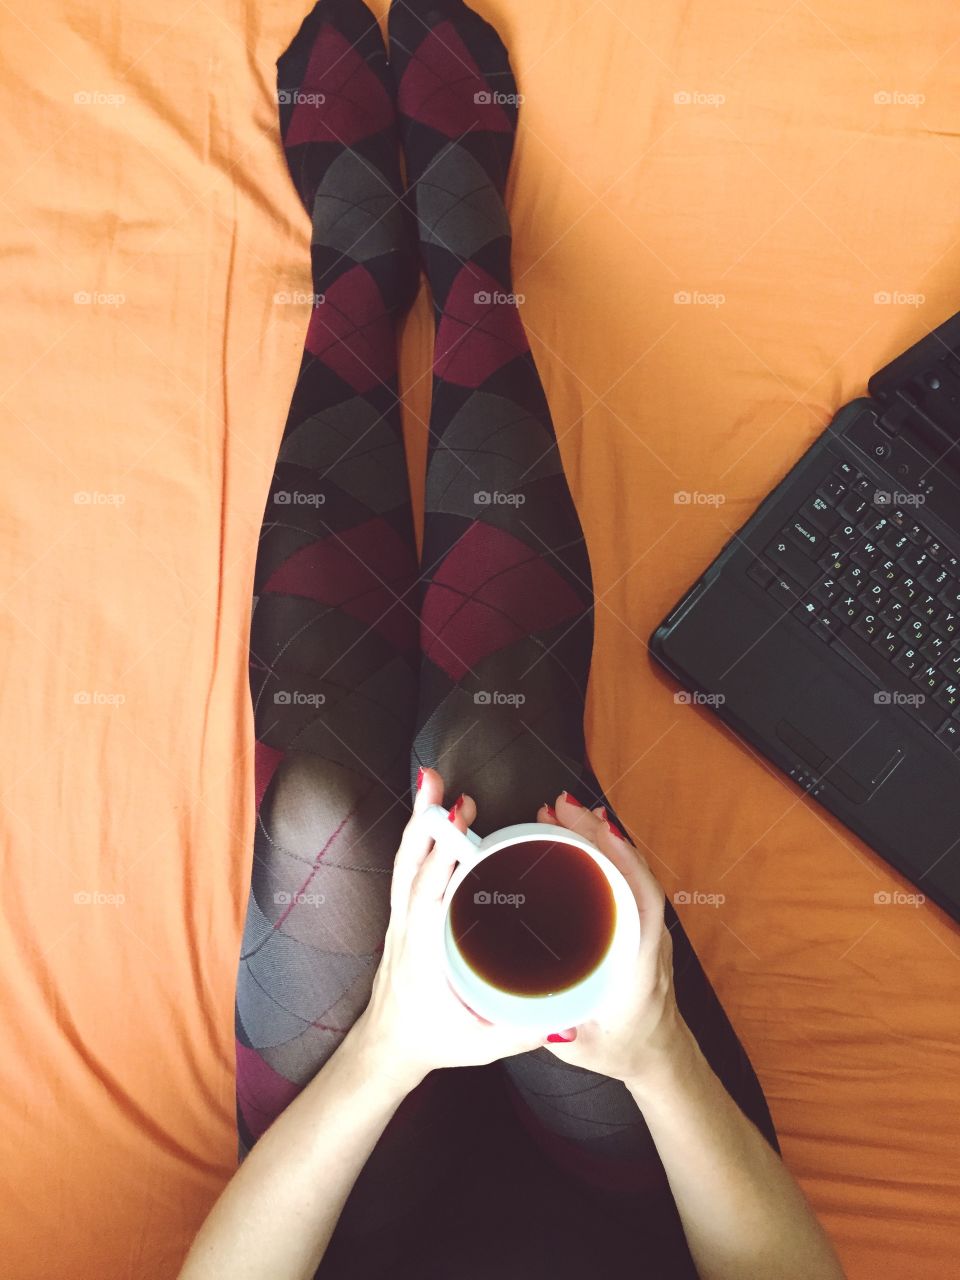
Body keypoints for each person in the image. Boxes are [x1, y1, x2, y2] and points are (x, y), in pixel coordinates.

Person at [182, 0, 847, 1275]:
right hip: (641, 1197)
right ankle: (468, 264)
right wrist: (655, 1051)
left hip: (357, 1217)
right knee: (500, 775)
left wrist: (389, 1044)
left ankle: (360, 284)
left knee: (322, 805)